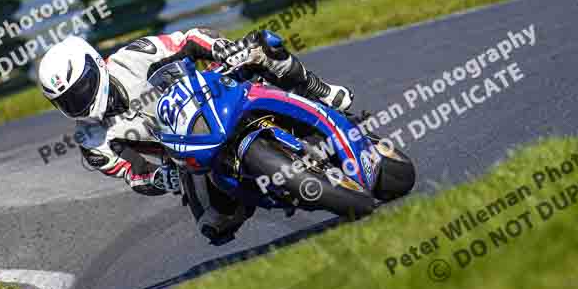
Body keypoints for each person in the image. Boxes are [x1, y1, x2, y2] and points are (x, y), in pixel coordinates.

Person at [38, 28, 354, 243]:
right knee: (215, 227)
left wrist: (222, 48)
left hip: (215, 94)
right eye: (68, 100)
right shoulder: (93, 141)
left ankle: (320, 92)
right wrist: (161, 179)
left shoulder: (134, 56)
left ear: (97, 66)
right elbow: (134, 174)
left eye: (81, 89)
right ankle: (254, 187)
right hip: (188, 156)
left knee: (263, 44)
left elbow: (188, 39)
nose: (79, 101)